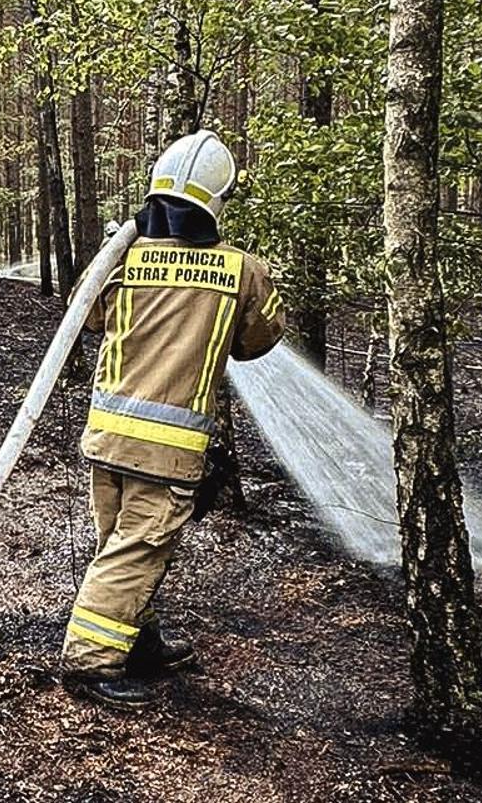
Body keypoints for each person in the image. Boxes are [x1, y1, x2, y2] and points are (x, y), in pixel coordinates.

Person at [61, 129, 287, 708]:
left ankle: (139, 641)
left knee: (121, 544)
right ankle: (90, 663)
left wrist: (117, 253)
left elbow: (83, 317)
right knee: (138, 547)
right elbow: (259, 340)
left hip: (108, 437)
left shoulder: (125, 260)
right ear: (218, 200)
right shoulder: (241, 272)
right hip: (167, 450)